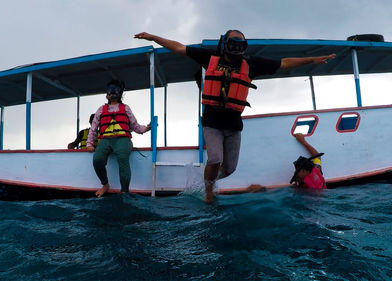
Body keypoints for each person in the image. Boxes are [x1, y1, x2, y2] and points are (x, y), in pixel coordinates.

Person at [134, 30, 335, 202]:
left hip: (233, 126)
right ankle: (209, 191)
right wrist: (153, 37)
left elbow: (284, 63)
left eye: (242, 44)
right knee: (215, 158)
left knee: (230, 169)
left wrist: (312, 60)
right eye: (233, 43)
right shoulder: (210, 58)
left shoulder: (251, 64)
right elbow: (178, 48)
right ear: (225, 44)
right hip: (212, 123)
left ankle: (206, 181)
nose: (238, 47)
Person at [86, 80, 151, 197]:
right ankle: (105, 184)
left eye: (115, 90)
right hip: (105, 140)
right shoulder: (101, 109)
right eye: (110, 90)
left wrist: (145, 129)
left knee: (123, 159)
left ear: (120, 93)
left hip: (123, 139)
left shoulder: (125, 108)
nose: (112, 92)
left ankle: (124, 191)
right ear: (106, 94)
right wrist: (89, 144)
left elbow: (134, 125)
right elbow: (94, 128)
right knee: (97, 160)